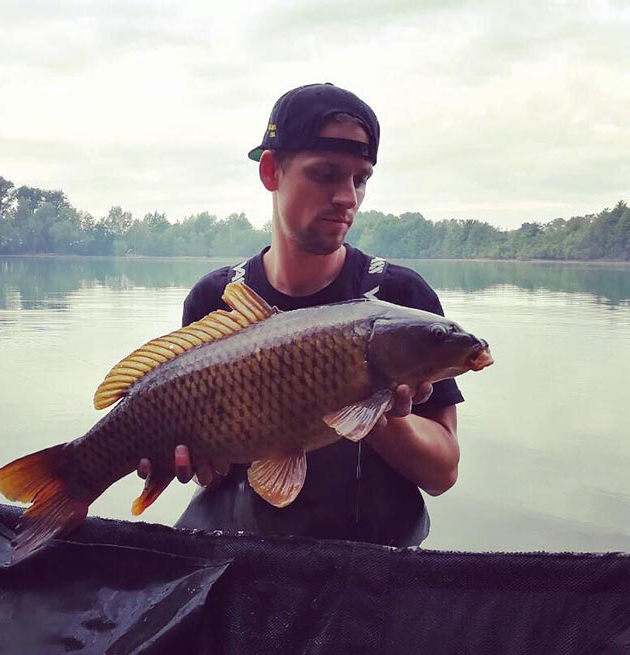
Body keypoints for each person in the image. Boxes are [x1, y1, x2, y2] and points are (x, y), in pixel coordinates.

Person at [138, 82, 464, 548]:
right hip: (245, 558)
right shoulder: (218, 298)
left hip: (372, 569)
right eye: (326, 174)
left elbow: (443, 471)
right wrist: (197, 462)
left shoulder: (399, 298)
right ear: (271, 171)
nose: (347, 197)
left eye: (360, 178)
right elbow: (210, 470)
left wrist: (373, 408)